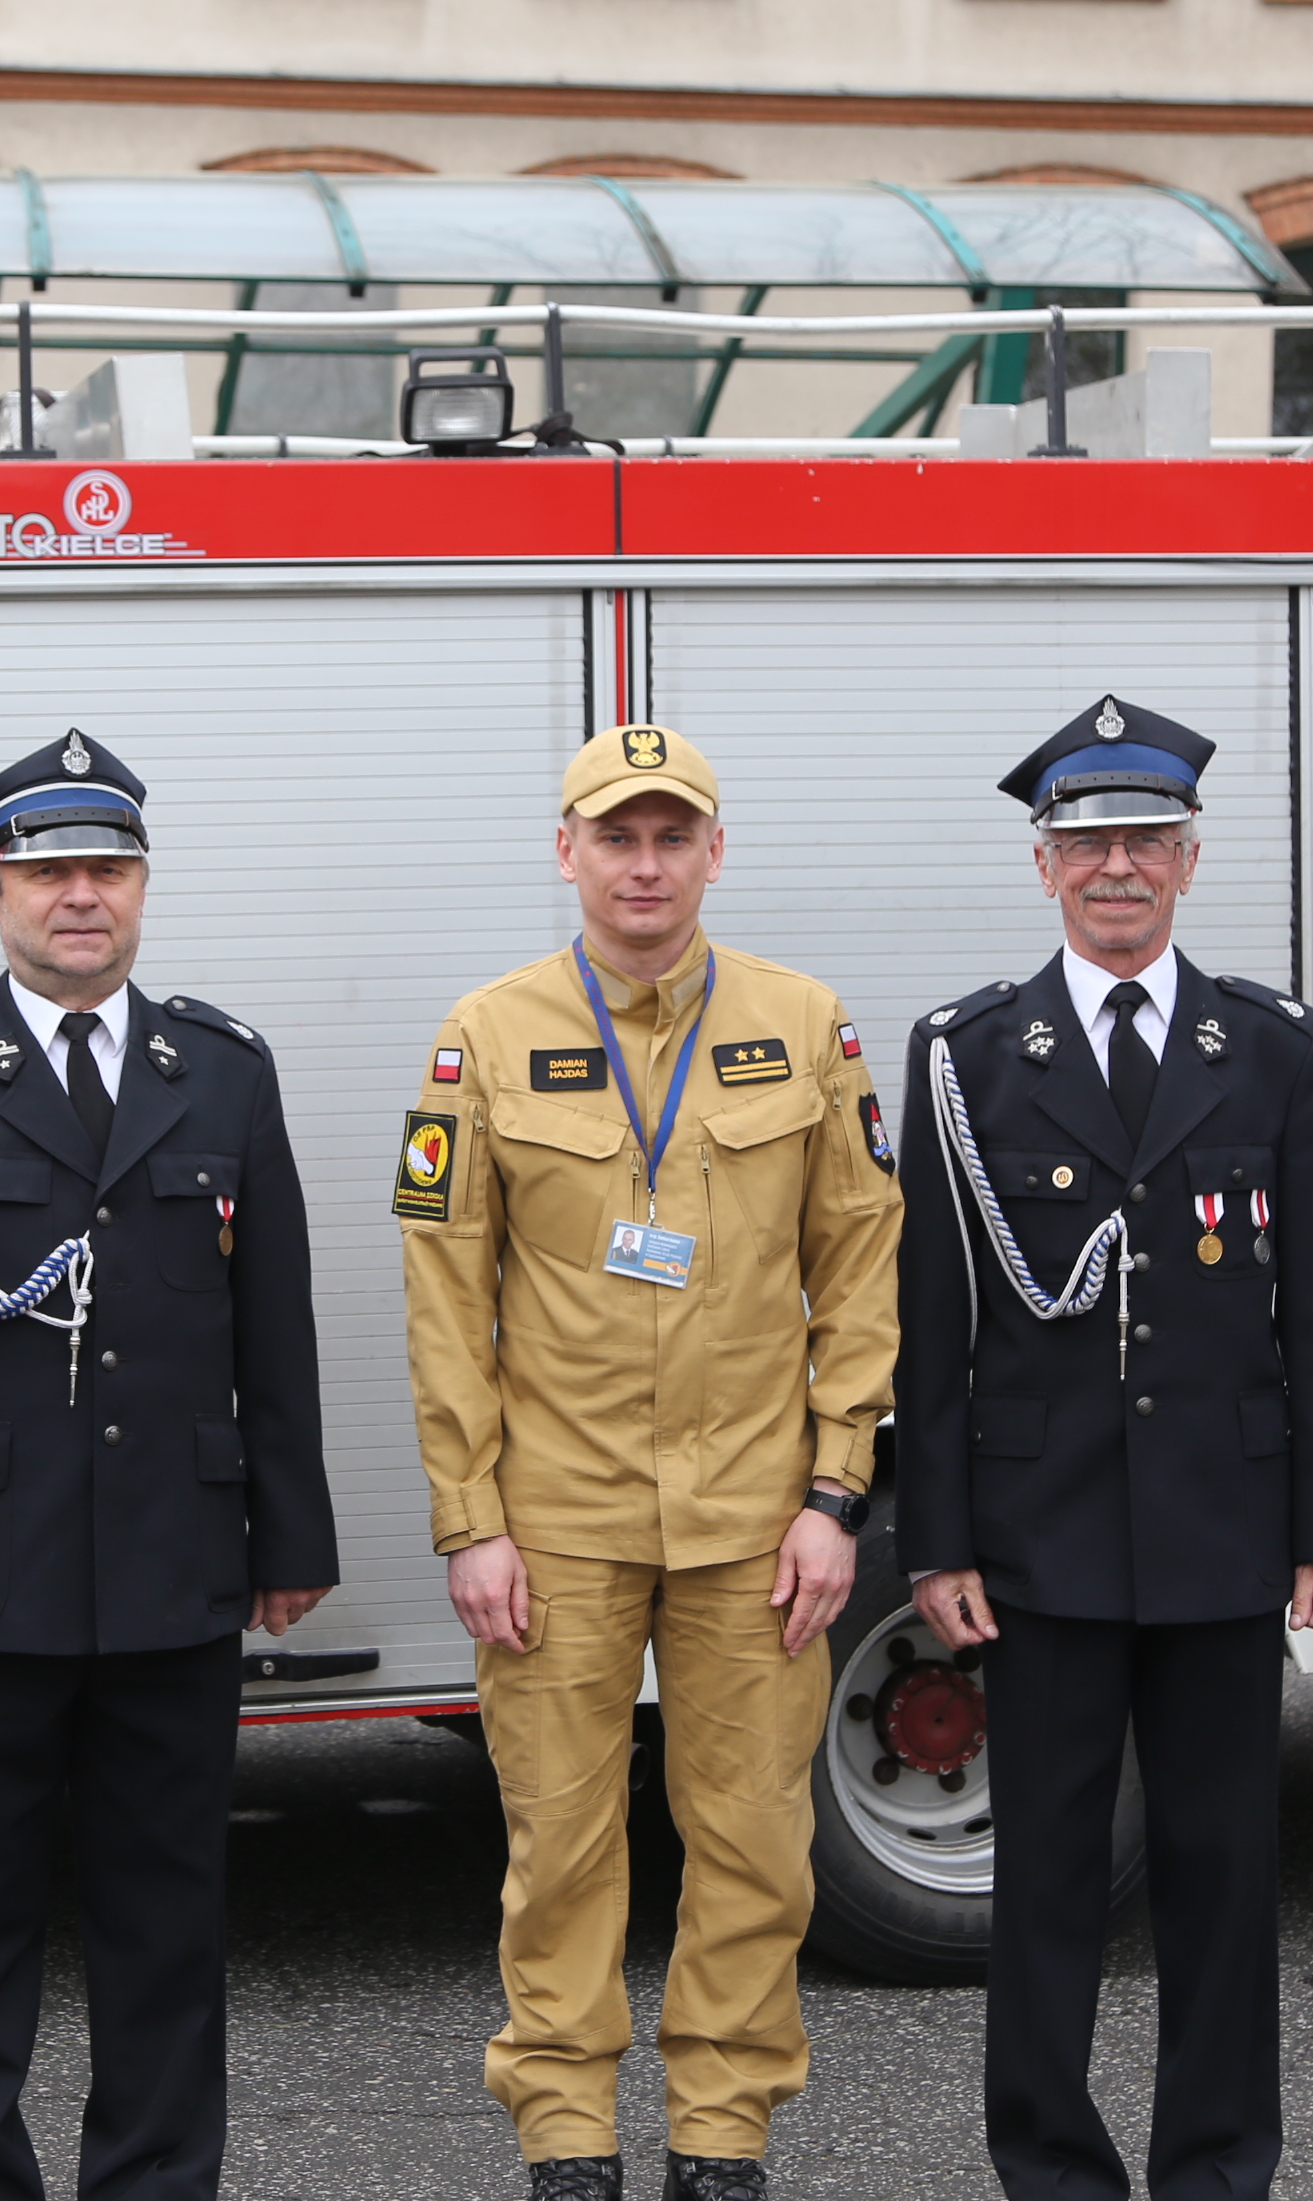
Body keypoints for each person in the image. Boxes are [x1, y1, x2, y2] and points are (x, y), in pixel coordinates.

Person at [0, 727, 339, 2201]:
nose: (79, 897)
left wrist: (290, 1537)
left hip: (174, 1574)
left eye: (105, 869)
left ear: (144, 887)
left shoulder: (219, 1071)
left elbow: (266, 1321)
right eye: (47, 874)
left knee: (166, 1927)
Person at [893, 694, 1313, 2201]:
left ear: (1191, 857)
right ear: (1044, 866)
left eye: (1146, 841)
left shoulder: (1271, 1046)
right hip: (1040, 1539)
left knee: (1223, 1878)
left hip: (1225, 1529)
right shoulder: (966, 1055)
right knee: (1043, 1880)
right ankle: (1050, 2166)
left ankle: (1218, 2166)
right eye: (1087, 842)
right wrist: (936, 1536)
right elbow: (933, 1322)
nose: (1119, 867)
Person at [399, 725, 899, 2201]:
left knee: (753, 1839)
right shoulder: (486, 1036)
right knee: (559, 1842)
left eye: (674, 835)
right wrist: (469, 1521)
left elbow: (861, 1265)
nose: (645, 863)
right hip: (555, 1515)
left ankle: (721, 2139)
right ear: (568, 852)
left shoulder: (804, 1024)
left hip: (758, 1514)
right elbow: (446, 1297)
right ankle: (567, 2139)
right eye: (617, 836)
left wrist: (836, 1495)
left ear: (714, 853)